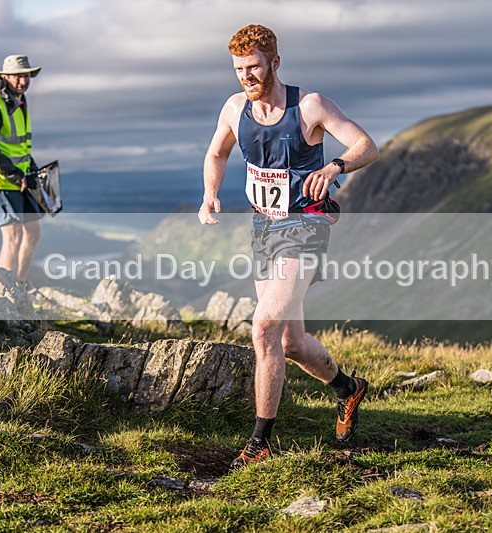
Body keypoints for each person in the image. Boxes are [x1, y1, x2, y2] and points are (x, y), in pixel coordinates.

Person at [198, 24, 379, 468]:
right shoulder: (234, 108)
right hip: (264, 229)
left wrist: (337, 164)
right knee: (292, 343)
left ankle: (259, 444)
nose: (246, 76)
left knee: (262, 328)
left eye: (254, 67)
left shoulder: (309, 106)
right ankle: (348, 389)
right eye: (239, 69)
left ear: (274, 63)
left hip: (306, 227)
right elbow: (217, 153)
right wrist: (210, 193)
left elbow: (367, 145)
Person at [0, 55, 44, 283]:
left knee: (33, 233)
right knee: (13, 235)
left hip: (22, 179)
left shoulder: (21, 103)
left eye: (26, 76)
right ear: (5, 77)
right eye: (17, 76)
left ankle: (19, 284)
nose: (22, 81)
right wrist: (13, 174)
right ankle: (4, 292)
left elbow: (21, 147)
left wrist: (33, 172)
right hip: (1, 179)